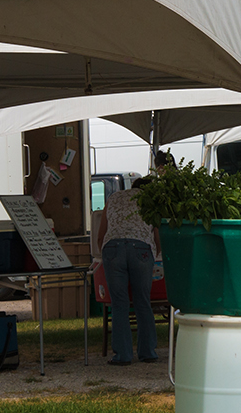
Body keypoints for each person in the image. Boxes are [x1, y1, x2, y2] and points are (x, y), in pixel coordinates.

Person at [91, 149, 169, 365]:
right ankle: (148, 352)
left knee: (119, 303)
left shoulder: (115, 197)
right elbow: (156, 233)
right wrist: (157, 253)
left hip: (112, 248)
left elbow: (102, 232)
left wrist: (106, 250)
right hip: (141, 249)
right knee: (143, 301)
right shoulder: (151, 201)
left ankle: (123, 355)